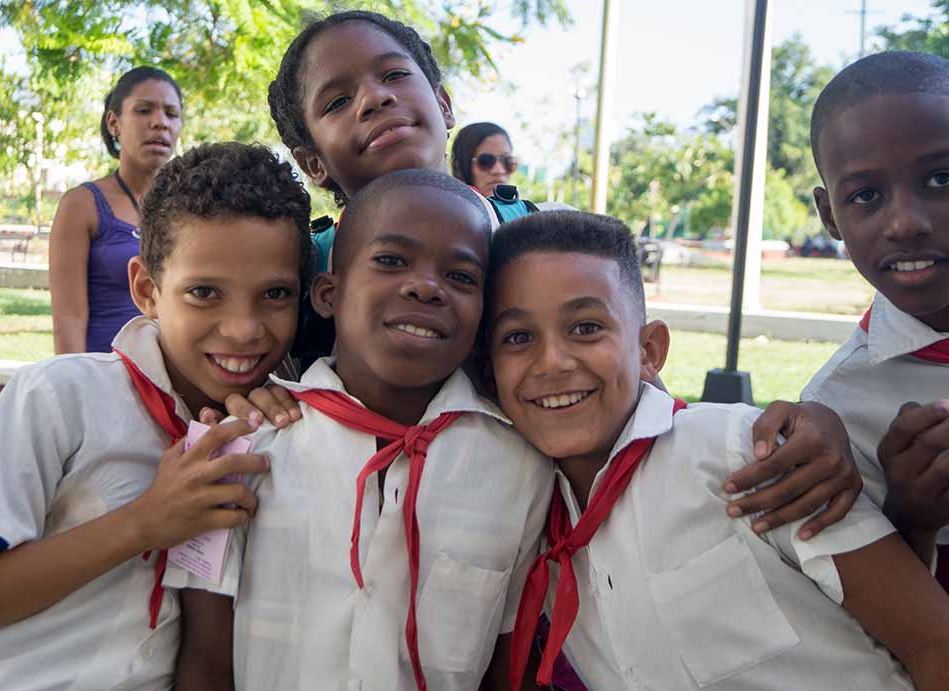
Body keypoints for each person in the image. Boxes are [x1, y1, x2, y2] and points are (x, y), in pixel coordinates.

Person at [221, 8, 864, 543]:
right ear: (311, 161)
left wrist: (809, 427)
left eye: (394, 75)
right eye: (337, 100)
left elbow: (636, 387)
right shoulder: (306, 266)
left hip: (549, 522)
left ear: (444, 104)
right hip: (364, 531)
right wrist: (243, 397)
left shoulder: (532, 236)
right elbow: (226, 364)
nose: (375, 97)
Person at [485, 211, 949, 691]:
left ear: (649, 350)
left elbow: (932, 641)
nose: (553, 362)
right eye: (518, 338)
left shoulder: (744, 452)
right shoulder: (534, 524)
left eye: (585, 328)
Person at [0, 142, 314, 690]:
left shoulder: (268, 431)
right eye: (204, 293)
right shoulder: (58, 397)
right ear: (147, 290)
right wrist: (145, 522)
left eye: (274, 294)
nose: (244, 328)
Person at [171, 169, 554, 691]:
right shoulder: (236, 451)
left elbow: (505, 667)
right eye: (391, 261)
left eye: (461, 276)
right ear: (328, 293)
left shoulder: (522, 468)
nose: (425, 286)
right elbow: (204, 662)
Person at [801, 51, 949, 589]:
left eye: (941, 178)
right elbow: (878, 632)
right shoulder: (837, 411)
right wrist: (912, 517)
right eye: (866, 195)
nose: (906, 223)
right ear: (829, 216)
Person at [49, 66, 183, 354]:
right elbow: (68, 321)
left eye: (171, 114)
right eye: (144, 110)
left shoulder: (190, 206)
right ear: (114, 123)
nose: (160, 123)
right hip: (104, 381)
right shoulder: (81, 205)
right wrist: (76, 392)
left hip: (173, 388)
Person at [451, 122, 518, 197]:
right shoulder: (443, 207)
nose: (499, 171)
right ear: (462, 166)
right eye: (485, 161)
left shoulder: (525, 208)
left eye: (507, 161)